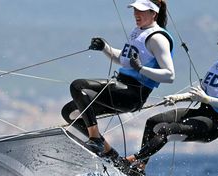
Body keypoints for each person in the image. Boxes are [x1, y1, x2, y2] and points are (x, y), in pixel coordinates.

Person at [119, 32, 218, 176]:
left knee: (166, 130)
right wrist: (177, 98)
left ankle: (131, 160)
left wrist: (207, 99)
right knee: (153, 122)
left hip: (213, 124)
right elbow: (199, 94)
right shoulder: (217, 67)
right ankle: (140, 168)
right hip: (201, 112)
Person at [61, 0, 175, 159]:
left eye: (141, 11)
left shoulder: (157, 38)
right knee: (70, 113)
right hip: (120, 88)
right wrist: (105, 48)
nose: (136, 14)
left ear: (154, 13)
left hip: (133, 94)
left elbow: (170, 75)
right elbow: (122, 59)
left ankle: (95, 139)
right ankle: (110, 153)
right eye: (135, 10)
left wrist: (141, 69)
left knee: (78, 86)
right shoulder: (139, 32)